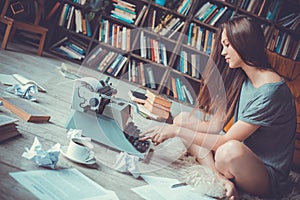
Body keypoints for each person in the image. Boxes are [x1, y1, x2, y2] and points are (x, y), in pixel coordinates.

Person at [140, 15, 296, 199]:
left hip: (266, 176)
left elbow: (227, 140)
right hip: (240, 158)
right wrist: (181, 126)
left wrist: (176, 131)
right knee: (183, 119)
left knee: (227, 150)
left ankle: (218, 171)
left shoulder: (272, 91)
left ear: (244, 43)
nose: (223, 52)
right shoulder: (243, 77)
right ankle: (220, 178)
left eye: (227, 45)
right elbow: (215, 126)